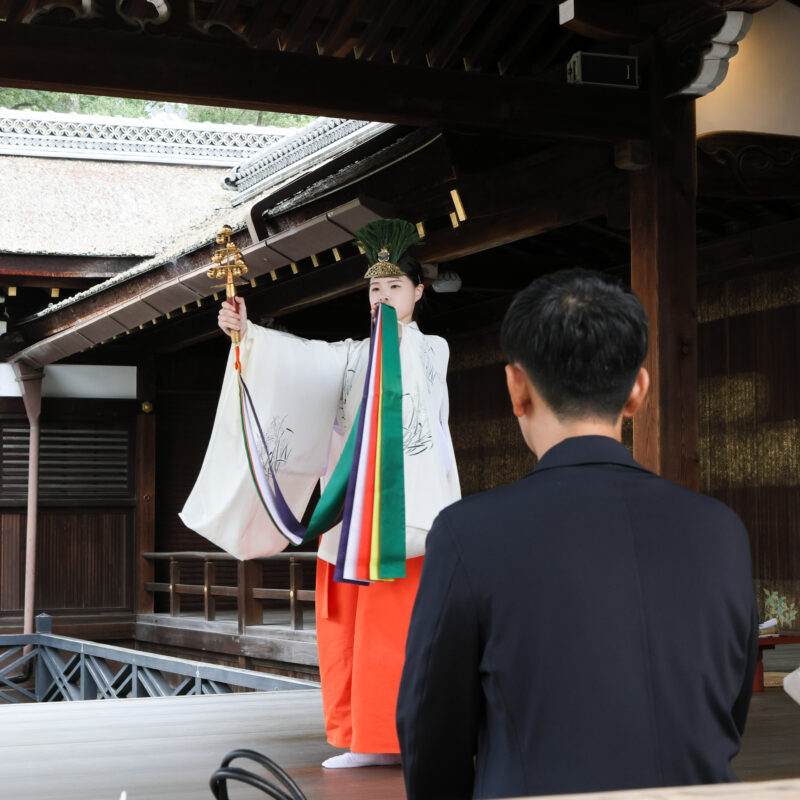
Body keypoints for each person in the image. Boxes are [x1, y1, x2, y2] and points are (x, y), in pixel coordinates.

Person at [396, 268, 758, 799]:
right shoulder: (720, 530)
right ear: (637, 390)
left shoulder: (468, 533)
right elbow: (728, 711)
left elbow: (431, 733)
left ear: (515, 388)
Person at [180, 220, 460, 769]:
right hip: (352, 516)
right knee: (349, 627)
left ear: (418, 293)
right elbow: (301, 361)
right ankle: (361, 736)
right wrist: (249, 335)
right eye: (375, 290)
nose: (382, 297)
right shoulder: (351, 356)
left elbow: (418, 391)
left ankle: (407, 733)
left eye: (395, 288)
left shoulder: (433, 352)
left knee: (403, 626)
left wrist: (392, 338)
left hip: (412, 517)